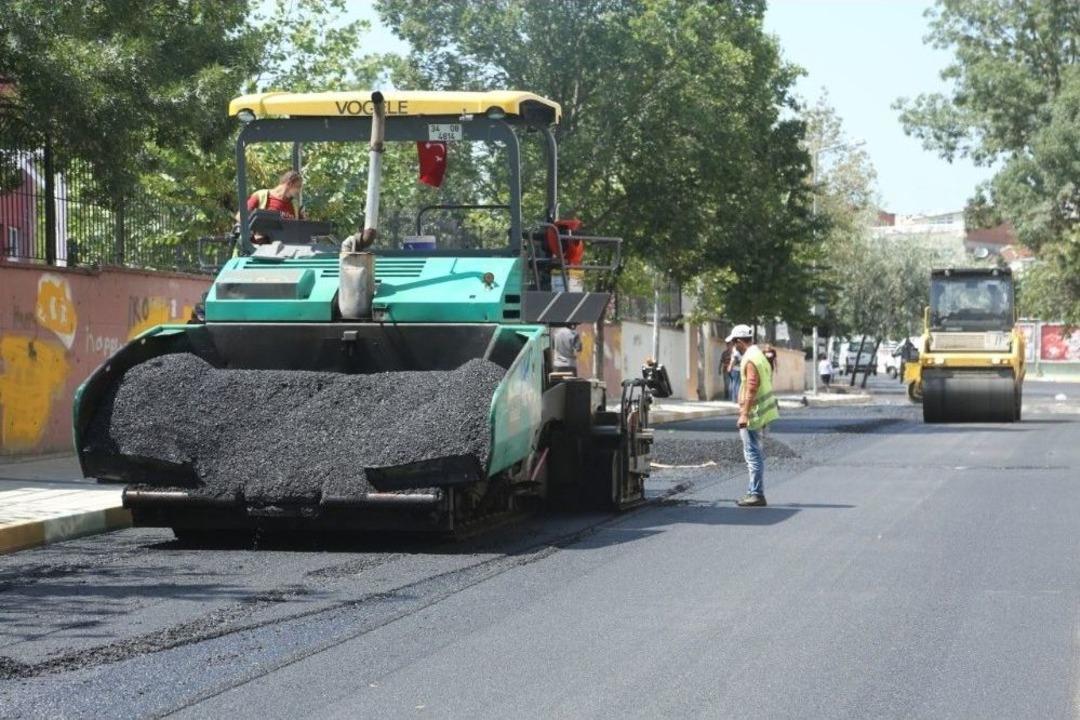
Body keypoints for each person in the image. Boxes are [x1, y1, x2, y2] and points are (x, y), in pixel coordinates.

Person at [726, 324, 780, 507]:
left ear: (739, 341)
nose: (734, 346)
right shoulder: (759, 355)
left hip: (754, 414)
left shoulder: (750, 358)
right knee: (755, 452)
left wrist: (744, 414)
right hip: (763, 412)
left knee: (752, 454)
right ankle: (754, 492)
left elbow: (752, 386)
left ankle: (756, 494)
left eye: (734, 343)